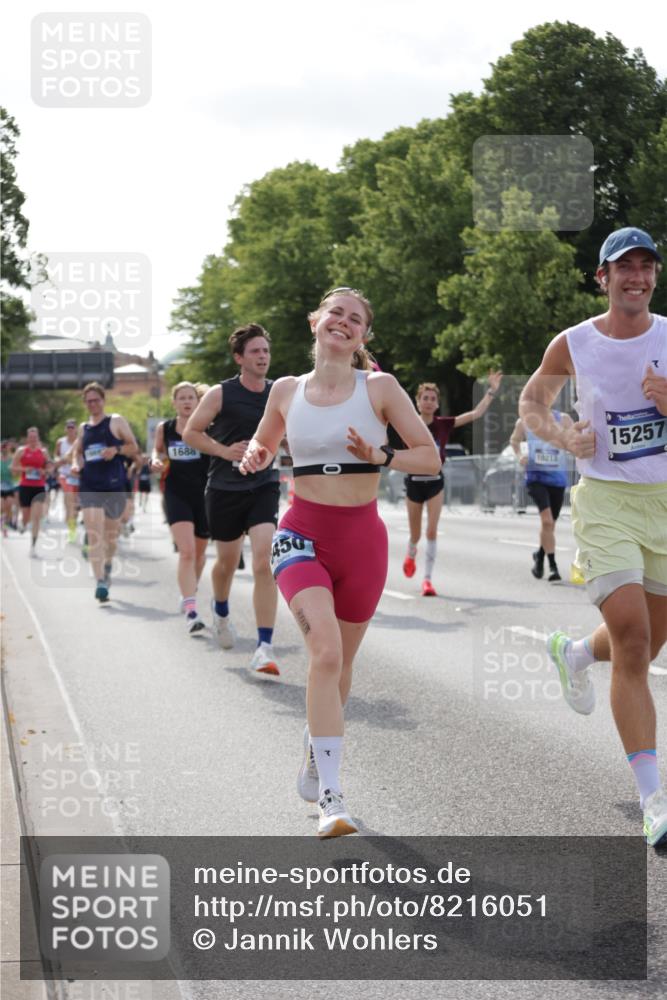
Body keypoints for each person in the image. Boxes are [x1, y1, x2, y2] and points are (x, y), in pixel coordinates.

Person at [239, 287, 440, 838]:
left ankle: (313, 750)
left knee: (341, 666)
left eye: (356, 320)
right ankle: (331, 796)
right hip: (301, 533)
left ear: (364, 336)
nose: (344, 323)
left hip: (362, 541)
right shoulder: (285, 390)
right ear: (315, 322)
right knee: (324, 652)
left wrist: (382, 455)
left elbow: (430, 456)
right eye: (336, 314)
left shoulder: (379, 388)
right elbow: (263, 445)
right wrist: (257, 455)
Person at [518, 226, 667, 848]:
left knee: (651, 642)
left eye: (645, 266)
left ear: (654, 276)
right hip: (604, 500)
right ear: (602, 278)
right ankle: (653, 799)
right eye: (622, 267)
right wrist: (561, 437)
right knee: (633, 639)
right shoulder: (574, 342)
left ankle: (575, 653)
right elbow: (532, 401)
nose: (635, 276)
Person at [183, 324, 281, 674]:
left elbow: (289, 435)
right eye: (255, 351)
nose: (263, 357)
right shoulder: (221, 394)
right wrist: (225, 451)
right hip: (224, 489)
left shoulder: (278, 393)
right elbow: (190, 432)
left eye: (266, 351)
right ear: (240, 358)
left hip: (264, 485)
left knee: (263, 560)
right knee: (226, 563)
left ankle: (264, 646)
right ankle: (221, 610)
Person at [402, 373, 503, 595]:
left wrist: (491, 391)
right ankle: (410, 554)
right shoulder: (408, 423)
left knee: (431, 532)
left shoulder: (443, 425)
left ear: (437, 404)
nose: (428, 402)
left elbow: (475, 414)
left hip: (435, 482)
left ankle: (427, 580)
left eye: (432, 399)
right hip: (414, 483)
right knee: (416, 534)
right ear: (417, 402)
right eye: (424, 398)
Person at [70, 383, 139, 602]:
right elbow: (77, 452)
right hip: (90, 485)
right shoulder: (84, 428)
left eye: (96, 400)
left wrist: (116, 450)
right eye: (88, 401)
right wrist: (74, 464)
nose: (93, 404)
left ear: (103, 400)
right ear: (85, 403)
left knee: (111, 537)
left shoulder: (115, 421)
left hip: (114, 485)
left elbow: (133, 447)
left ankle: (107, 564)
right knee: (94, 535)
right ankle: (100, 581)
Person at [152, 382, 210, 634]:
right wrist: (155, 461)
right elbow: (157, 453)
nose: (187, 402)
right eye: (182, 398)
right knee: (186, 552)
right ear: (174, 403)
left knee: (199, 555)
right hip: (176, 494)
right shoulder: (165, 428)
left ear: (198, 403)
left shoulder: (208, 426)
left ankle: (189, 592)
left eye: (191, 398)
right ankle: (191, 610)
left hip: (205, 495)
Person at [509, 410, 573, 582]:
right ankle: (553, 567)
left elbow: (575, 440)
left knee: (550, 526)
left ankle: (539, 555)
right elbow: (514, 440)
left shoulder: (564, 419)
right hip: (535, 477)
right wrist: (520, 455)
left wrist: (570, 444)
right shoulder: (524, 421)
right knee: (547, 521)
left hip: (558, 479)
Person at [11, 427, 49, 557]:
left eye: (35, 437)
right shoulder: (21, 451)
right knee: (26, 516)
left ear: (38, 438)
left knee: (36, 518)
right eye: (31, 437)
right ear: (28, 438)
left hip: (39, 487)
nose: (33, 440)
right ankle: (23, 524)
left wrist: (43, 471)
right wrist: (24, 469)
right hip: (25, 486)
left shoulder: (43, 452)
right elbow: (13, 468)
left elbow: (49, 469)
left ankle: (33, 547)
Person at [55, 419, 80, 543]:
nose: (70, 430)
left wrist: (71, 461)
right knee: (69, 502)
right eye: (68, 427)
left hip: (78, 476)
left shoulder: (80, 442)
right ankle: (71, 528)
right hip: (64, 475)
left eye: (72, 427)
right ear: (66, 429)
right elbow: (56, 455)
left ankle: (72, 525)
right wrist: (59, 460)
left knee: (74, 505)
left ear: (76, 429)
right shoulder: (60, 442)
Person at [1, 441, 18, 537]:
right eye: (2, 447)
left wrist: (13, 471)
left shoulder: (12, 460)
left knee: (8, 507)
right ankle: (3, 525)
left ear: (8, 449)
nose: (4, 449)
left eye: (6, 448)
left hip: (10, 486)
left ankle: (6, 526)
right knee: (1, 507)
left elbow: (15, 475)